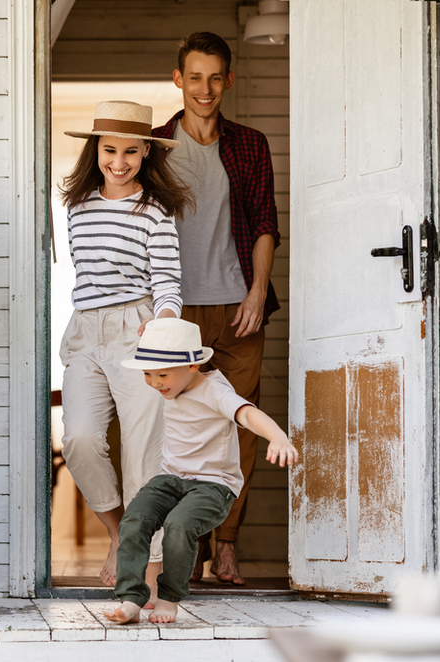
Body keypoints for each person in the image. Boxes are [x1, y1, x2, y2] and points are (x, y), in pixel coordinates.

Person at [152, 31, 281, 585]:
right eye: (194, 77)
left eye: (215, 77)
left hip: (237, 309)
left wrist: (257, 290)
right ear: (178, 80)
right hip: (175, 313)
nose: (205, 89)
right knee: (176, 426)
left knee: (240, 430)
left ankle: (225, 542)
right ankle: (185, 547)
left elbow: (265, 222)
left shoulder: (250, 144)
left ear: (228, 79)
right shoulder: (153, 145)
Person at [59, 100, 193, 591]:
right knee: (79, 440)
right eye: (110, 150)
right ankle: (119, 534)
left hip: (138, 331)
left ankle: (146, 574)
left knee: (143, 457)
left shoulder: (155, 212)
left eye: (131, 152)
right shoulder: (76, 207)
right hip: (85, 333)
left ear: (145, 154)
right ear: (95, 150)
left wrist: (161, 325)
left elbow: (168, 283)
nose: (119, 161)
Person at [104, 318, 298, 624]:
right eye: (148, 374)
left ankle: (169, 598)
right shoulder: (174, 386)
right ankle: (131, 597)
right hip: (172, 478)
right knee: (135, 518)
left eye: (162, 374)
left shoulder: (215, 390)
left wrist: (278, 437)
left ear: (193, 366)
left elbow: (247, 413)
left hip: (213, 485)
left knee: (179, 526)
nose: (155, 383)